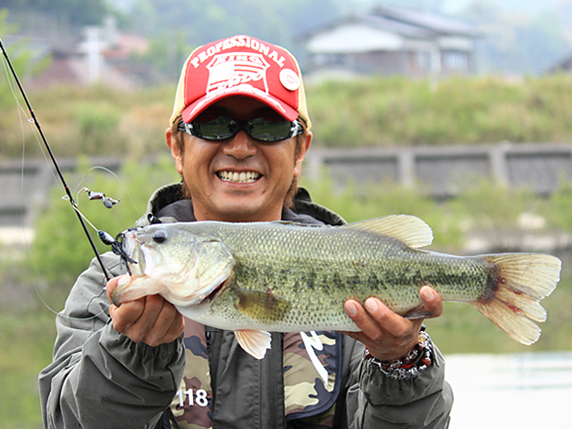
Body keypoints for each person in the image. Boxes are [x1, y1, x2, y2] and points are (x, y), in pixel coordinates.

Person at [39, 34, 453, 428]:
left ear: (300, 149)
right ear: (177, 147)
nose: (239, 146)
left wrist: (402, 362)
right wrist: (131, 356)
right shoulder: (110, 286)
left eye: (268, 126)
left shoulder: (354, 269)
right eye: (214, 125)